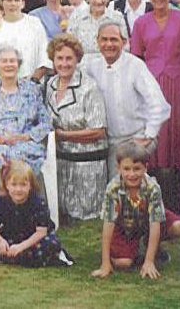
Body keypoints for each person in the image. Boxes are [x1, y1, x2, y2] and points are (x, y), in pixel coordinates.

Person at [129, 0, 180, 208]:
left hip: (177, 82)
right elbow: (136, 55)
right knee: (155, 132)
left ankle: (177, 195)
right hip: (150, 83)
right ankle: (152, 191)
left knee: (177, 131)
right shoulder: (141, 23)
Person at [83, 22, 170, 180]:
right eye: (104, 39)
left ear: (124, 42)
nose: (109, 44)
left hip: (136, 136)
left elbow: (159, 104)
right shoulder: (92, 67)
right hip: (107, 141)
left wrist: (148, 136)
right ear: (97, 42)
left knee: (124, 182)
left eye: (114, 39)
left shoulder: (135, 66)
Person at [91, 140, 180, 280]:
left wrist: (149, 262)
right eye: (127, 169)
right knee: (124, 263)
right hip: (124, 226)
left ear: (145, 168)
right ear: (119, 168)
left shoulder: (152, 187)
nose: (132, 174)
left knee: (179, 227)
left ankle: (151, 248)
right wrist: (105, 263)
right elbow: (108, 223)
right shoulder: (113, 188)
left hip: (147, 221)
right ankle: (129, 250)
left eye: (136, 169)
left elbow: (155, 223)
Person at [0, 46, 52, 198]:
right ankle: (0, 209)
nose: (9, 64)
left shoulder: (32, 90)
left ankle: (24, 209)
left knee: (16, 157)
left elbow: (46, 122)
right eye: (4, 61)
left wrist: (25, 137)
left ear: (19, 65)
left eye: (12, 61)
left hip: (25, 144)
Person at [44, 34, 108, 221]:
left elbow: (98, 131)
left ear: (77, 59)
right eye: (59, 58)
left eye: (69, 58)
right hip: (60, 159)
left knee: (83, 214)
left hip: (86, 160)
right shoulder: (51, 84)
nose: (64, 63)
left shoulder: (89, 87)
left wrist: (62, 135)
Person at [0, 161, 70, 267]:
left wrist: (21, 247)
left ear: (30, 185)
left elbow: (41, 232)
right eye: (14, 185)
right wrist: (1, 242)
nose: (18, 189)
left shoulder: (38, 203)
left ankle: (13, 257)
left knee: (51, 245)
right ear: (7, 185)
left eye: (23, 185)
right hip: (11, 235)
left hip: (33, 238)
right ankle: (21, 258)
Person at [67, 0, 126, 65]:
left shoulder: (117, 17)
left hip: (110, 66)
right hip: (82, 68)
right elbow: (69, 47)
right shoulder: (76, 17)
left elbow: (125, 47)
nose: (99, 1)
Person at [0, 0, 52, 81]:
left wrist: (34, 81)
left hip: (33, 81)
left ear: (23, 3)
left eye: (16, 0)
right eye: (9, 0)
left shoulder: (34, 23)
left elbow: (44, 54)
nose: (12, 4)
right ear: (2, 3)